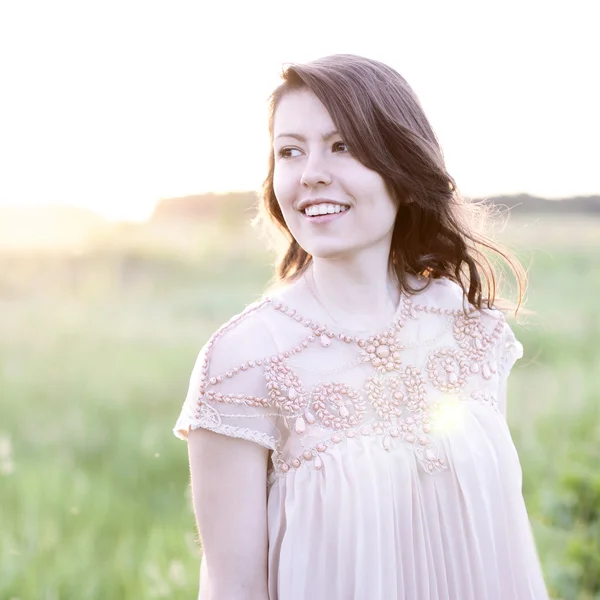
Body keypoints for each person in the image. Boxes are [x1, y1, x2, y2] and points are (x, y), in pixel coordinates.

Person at [173, 54, 549, 600]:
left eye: (342, 145)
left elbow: (496, 539)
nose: (311, 173)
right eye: (289, 151)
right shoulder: (244, 360)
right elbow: (233, 588)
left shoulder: (472, 329)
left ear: (402, 164)